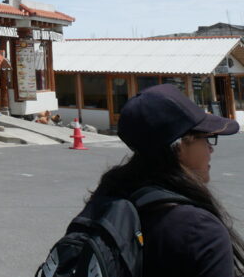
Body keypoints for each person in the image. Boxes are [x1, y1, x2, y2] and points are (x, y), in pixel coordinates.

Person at [85, 84, 244, 276]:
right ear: (179, 146)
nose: (211, 149)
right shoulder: (200, 231)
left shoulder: (104, 201)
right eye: (206, 138)